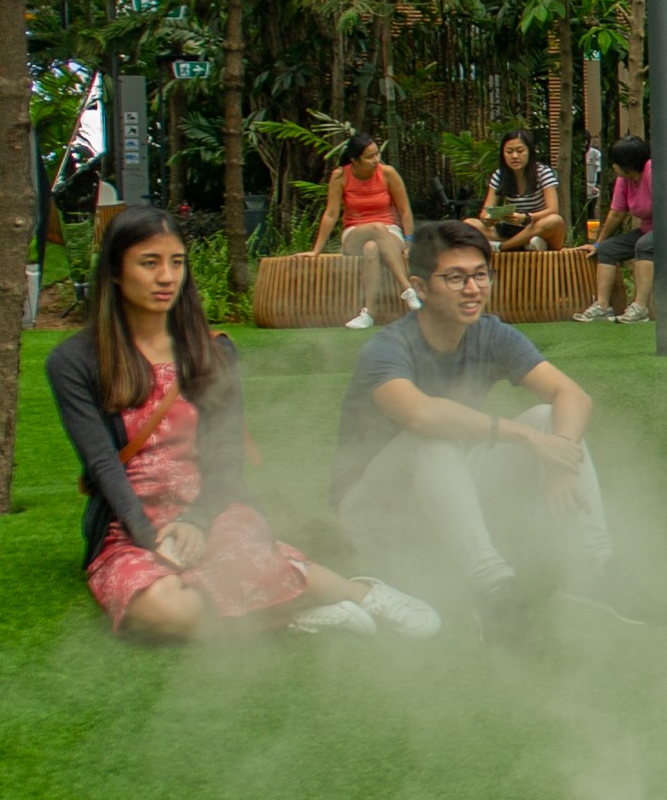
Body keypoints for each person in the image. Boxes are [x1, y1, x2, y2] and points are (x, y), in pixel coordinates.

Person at [47, 206, 435, 644]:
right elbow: (101, 463)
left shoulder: (212, 352)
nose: (166, 277)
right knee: (161, 610)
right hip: (129, 521)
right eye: (149, 263)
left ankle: (361, 592)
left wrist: (196, 520)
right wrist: (147, 535)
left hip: (213, 504)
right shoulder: (74, 362)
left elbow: (225, 458)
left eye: (176, 262)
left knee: (243, 565)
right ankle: (295, 614)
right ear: (115, 272)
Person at [334, 218, 608, 647]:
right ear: (421, 288)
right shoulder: (386, 349)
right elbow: (421, 415)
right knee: (435, 437)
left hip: (447, 491)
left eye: (480, 275)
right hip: (376, 508)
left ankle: (597, 568)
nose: (472, 288)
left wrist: (561, 455)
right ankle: (495, 590)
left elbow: (572, 395)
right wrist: (526, 439)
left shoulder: (490, 334)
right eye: (456, 278)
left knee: (547, 417)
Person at [576, 133, 667, 324]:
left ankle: (640, 307)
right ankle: (602, 306)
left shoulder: (655, 172)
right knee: (607, 250)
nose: (613, 166)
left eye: (616, 162)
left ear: (629, 163)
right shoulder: (625, 179)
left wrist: (653, 237)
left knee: (644, 245)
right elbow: (616, 214)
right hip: (653, 230)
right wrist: (598, 244)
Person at [309, 134, 417, 331]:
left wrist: (409, 242)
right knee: (376, 229)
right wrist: (316, 250)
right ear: (354, 160)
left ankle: (368, 313)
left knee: (371, 248)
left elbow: (404, 210)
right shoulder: (341, 176)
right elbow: (331, 214)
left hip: (389, 231)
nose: (376, 160)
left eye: (377, 154)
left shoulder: (388, 173)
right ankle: (408, 289)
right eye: (370, 157)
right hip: (354, 232)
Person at [481, 130, 565, 253]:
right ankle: (524, 243)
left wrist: (526, 218)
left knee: (555, 220)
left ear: (530, 152)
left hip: (538, 227)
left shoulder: (542, 173)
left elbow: (553, 209)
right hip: (511, 229)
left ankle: (503, 247)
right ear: (503, 154)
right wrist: (490, 218)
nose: (514, 156)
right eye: (509, 152)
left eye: (520, 151)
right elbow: (484, 212)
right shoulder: (499, 175)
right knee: (470, 224)